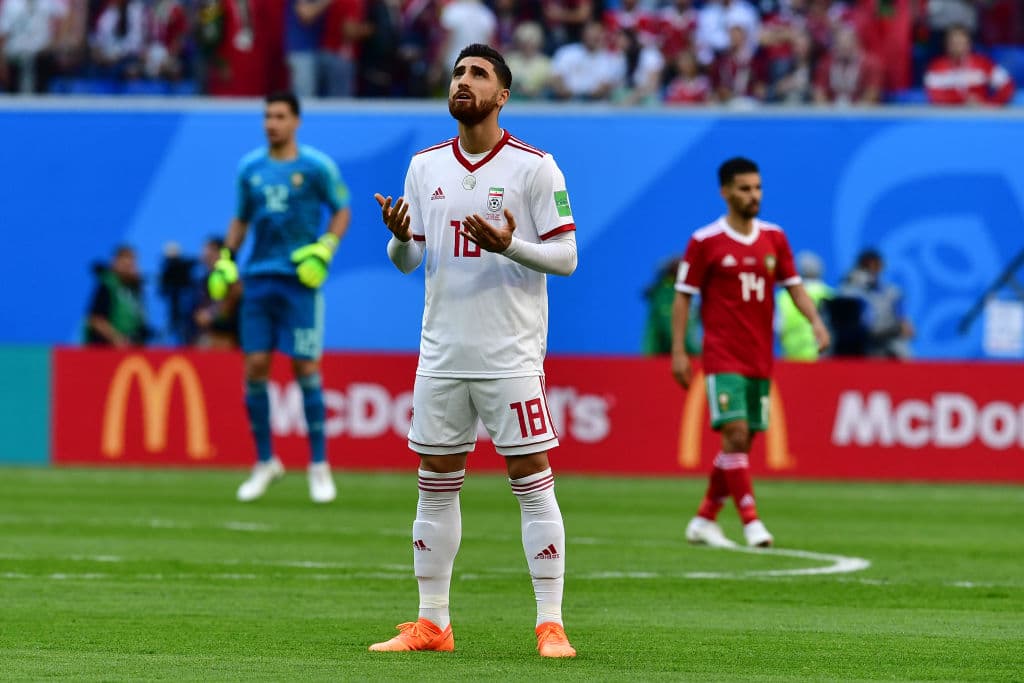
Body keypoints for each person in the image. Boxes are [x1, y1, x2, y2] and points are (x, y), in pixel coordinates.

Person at [369, 44, 578, 658]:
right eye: (458, 73)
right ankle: (432, 623)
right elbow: (410, 259)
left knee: (532, 481)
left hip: (508, 354)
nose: (464, 82)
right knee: (434, 483)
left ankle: (551, 623)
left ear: (503, 94)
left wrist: (511, 245)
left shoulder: (536, 169)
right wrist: (400, 239)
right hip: (440, 352)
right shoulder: (425, 166)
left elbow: (566, 257)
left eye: (478, 74)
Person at [671, 157, 830, 548]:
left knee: (742, 443)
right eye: (744, 189)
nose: (753, 195)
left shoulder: (774, 237)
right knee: (736, 433)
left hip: (760, 356)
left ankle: (705, 519)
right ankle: (751, 522)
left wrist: (816, 321)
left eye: (757, 188)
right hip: (722, 356)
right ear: (725, 192)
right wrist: (679, 350)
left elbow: (793, 286)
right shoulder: (705, 241)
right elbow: (683, 299)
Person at [208, 91, 351, 504]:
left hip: (299, 282)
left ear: (296, 122)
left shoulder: (316, 166)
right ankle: (265, 461)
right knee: (255, 366)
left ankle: (319, 465)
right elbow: (241, 219)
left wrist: (325, 249)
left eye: (280, 116)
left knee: (306, 367)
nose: (272, 123)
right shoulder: (250, 168)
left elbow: (342, 209)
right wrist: (225, 259)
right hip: (258, 279)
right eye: (267, 116)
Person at [838, 248, 914, 359]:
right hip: (864, 346)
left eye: (876, 265)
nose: (872, 270)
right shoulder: (851, 291)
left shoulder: (892, 293)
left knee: (902, 351)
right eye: (867, 266)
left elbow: (906, 328)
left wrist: (902, 326)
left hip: (889, 342)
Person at [924, 24, 1015, 106]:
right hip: (948, 119)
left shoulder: (983, 64)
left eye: (961, 43)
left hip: (979, 117)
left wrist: (990, 104)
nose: (957, 47)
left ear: (969, 44)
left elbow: (1007, 86)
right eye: (954, 43)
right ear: (947, 45)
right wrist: (962, 101)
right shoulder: (935, 67)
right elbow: (934, 96)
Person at [84, 244, 152, 347]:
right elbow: (96, 319)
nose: (130, 268)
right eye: (125, 264)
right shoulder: (107, 285)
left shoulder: (135, 289)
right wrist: (117, 339)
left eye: (132, 264)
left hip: (131, 349)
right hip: (106, 350)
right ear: (114, 263)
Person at [776, 250, 833, 361]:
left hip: (793, 360)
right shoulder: (830, 294)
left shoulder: (784, 297)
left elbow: (777, 328)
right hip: (824, 359)